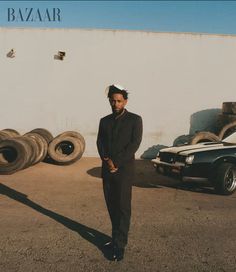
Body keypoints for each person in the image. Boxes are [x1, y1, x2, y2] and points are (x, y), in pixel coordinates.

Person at [97, 84, 143, 261]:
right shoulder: (104, 121)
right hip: (107, 170)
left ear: (125, 101)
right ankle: (115, 237)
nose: (115, 104)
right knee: (111, 205)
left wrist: (116, 162)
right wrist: (107, 160)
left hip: (124, 170)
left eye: (119, 101)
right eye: (112, 100)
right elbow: (100, 142)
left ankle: (119, 245)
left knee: (123, 207)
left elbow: (134, 144)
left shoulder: (135, 120)